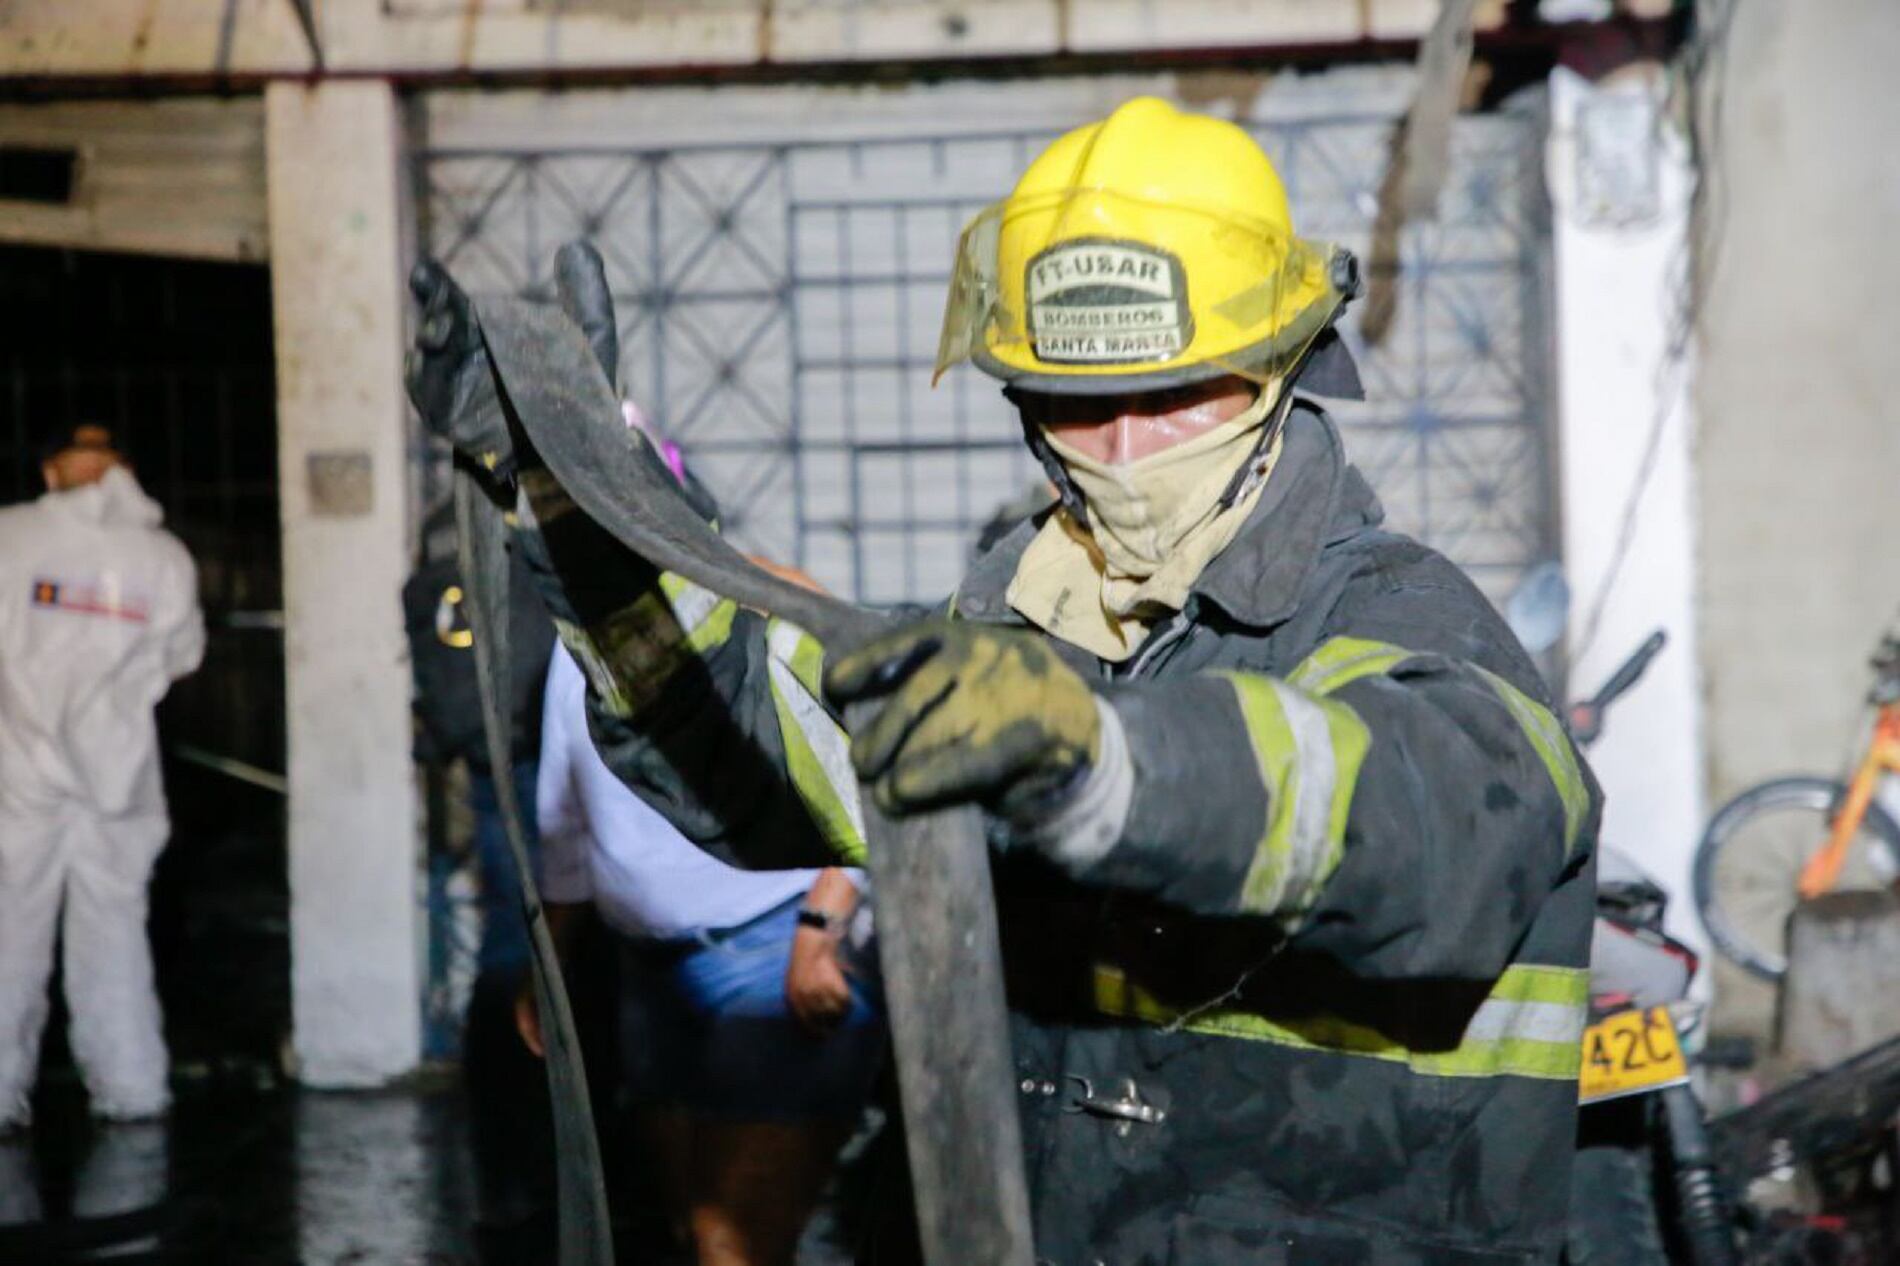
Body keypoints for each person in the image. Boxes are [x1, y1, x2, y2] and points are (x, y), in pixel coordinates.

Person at [409, 96, 1600, 1263]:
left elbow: (1425, 824)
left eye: (1178, 393)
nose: (1128, 450)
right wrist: (575, 501)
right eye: (1083, 403)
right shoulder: (1019, 630)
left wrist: (1102, 760)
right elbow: (752, 743)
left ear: (1283, 366)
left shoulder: (1413, 623)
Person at [523, 640, 883, 1266]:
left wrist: (822, 922)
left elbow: (869, 765)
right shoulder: (571, 639)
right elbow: (565, 816)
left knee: (732, 1243)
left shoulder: (748, 595)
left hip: (770, 950)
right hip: (648, 972)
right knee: (691, 1229)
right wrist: (547, 962)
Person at [0, 424, 204, 1132]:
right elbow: (182, 658)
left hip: (18, 775)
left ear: (51, 472)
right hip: (119, 779)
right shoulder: (165, 557)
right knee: (115, 935)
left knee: (9, 935)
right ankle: (133, 1091)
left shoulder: (11, 537)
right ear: (121, 470)